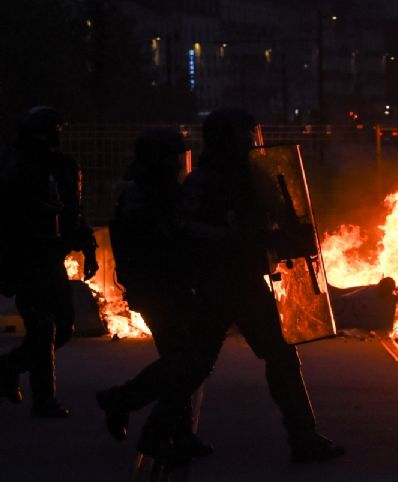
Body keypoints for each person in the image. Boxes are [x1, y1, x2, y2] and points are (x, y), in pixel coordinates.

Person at [178, 108, 343, 463]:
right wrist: (232, 237)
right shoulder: (203, 180)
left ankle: (304, 438)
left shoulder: (253, 174)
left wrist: (288, 236)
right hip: (217, 281)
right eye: (244, 134)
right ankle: (168, 429)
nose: (251, 140)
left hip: (245, 279)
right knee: (200, 361)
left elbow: (278, 216)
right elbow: (185, 228)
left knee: (275, 357)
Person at [95, 128, 215, 461]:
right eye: (174, 158)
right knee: (184, 361)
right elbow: (165, 240)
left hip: (166, 285)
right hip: (160, 287)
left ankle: (178, 432)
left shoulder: (154, 193)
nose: (179, 164)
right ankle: (125, 401)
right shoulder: (146, 197)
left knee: (182, 360)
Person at [0, 107, 98, 417]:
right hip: (26, 260)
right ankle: (44, 401)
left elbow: (74, 212)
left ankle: (7, 369)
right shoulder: (14, 169)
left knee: (64, 329)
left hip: (51, 258)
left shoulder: (63, 167)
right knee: (42, 328)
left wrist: (88, 248)